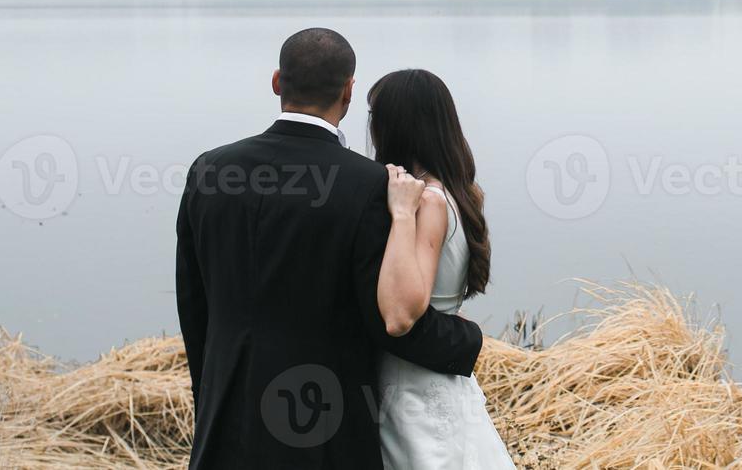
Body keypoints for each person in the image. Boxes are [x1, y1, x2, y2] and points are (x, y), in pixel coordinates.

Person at [175, 29, 483, 469]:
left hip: (225, 417)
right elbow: (385, 318)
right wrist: (465, 339)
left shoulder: (208, 170)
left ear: (278, 81)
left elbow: (194, 302)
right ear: (349, 91)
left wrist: (210, 395)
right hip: (325, 425)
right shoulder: (369, 186)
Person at [367, 68, 515, 470]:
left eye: (374, 115)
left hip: (412, 382)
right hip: (444, 375)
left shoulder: (427, 202)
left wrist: (400, 214)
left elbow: (402, 315)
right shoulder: (459, 193)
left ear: (395, 124)